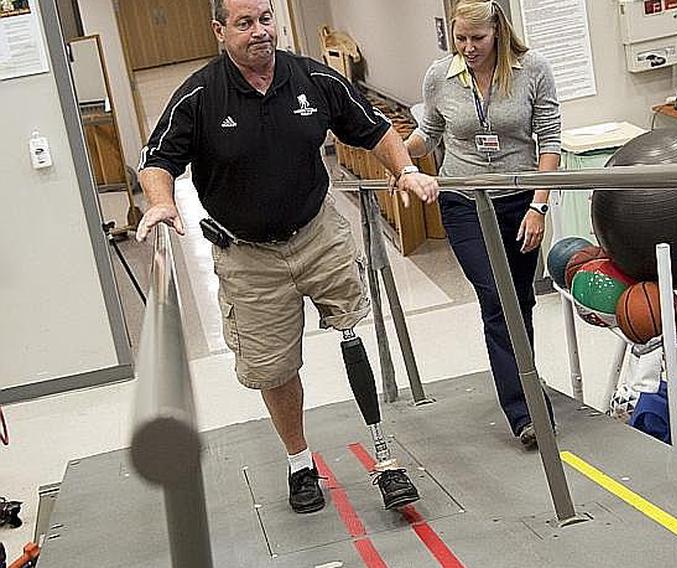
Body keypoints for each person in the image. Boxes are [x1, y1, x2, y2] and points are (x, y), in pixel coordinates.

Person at [135, 0, 439, 514]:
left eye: (266, 19)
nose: (260, 32)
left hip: (316, 232)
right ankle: (300, 462)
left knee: (351, 330)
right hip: (247, 254)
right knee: (274, 369)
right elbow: (156, 158)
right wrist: (163, 202)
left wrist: (404, 169)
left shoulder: (310, 78)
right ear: (219, 31)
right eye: (244, 23)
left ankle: (385, 456)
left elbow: (373, 129)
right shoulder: (200, 95)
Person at [405, 0, 561, 448]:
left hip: (520, 201)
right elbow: (429, 132)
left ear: (498, 33)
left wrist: (539, 206)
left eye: (478, 39)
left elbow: (549, 141)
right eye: (460, 39)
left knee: (520, 300)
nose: (468, 48)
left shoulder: (532, 69)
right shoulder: (441, 75)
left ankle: (526, 383)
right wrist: (396, 156)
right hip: (463, 201)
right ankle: (526, 410)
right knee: (496, 297)